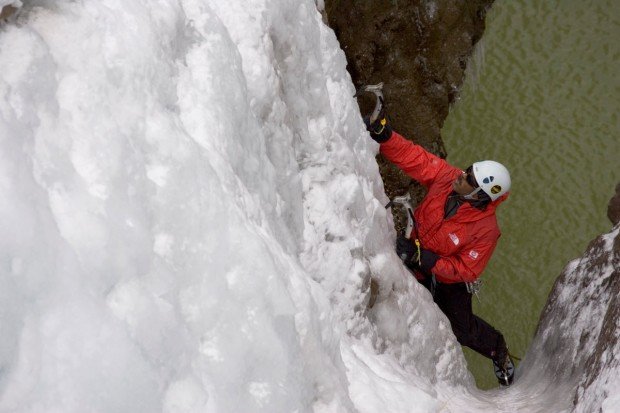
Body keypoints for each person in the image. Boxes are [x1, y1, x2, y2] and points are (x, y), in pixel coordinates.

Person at [365, 116, 515, 386]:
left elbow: (467, 270)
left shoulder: (486, 230)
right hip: (416, 251)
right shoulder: (447, 178)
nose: (461, 175)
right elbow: (417, 159)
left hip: (448, 278)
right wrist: (386, 136)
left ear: (480, 195)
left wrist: (427, 259)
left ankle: (498, 349)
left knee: (462, 330)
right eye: (468, 170)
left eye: (469, 178)